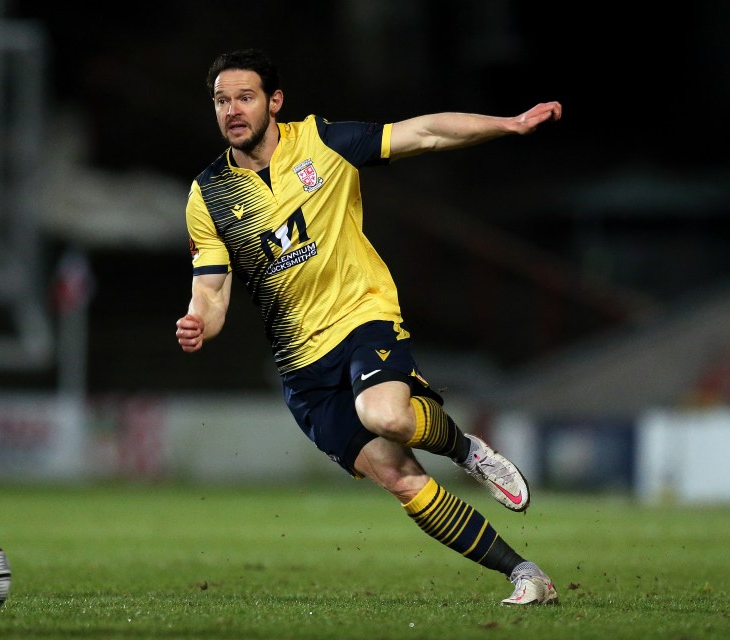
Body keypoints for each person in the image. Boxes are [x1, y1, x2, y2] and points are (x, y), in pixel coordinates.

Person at [175, 48, 562, 605]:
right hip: (301, 366)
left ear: (274, 102)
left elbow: (425, 133)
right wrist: (197, 323)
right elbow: (211, 291)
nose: (232, 110)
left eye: (245, 97)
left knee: (385, 414)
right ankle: (527, 574)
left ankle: (465, 450)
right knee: (401, 478)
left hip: (362, 316)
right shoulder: (207, 195)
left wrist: (507, 124)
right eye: (221, 100)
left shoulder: (323, 144)